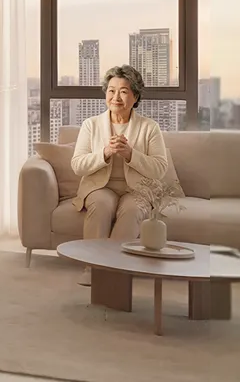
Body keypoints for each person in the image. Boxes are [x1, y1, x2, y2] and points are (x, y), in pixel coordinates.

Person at [70, 65, 173, 284]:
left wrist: (130, 155)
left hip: (137, 188)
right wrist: (105, 153)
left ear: (135, 96)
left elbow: (160, 168)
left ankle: (113, 269)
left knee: (133, 208)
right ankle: (92, 266)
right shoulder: (91, 125)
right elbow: (78, 165)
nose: (116, 97)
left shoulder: (149, 127)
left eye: (124, 91)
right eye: (111, 90)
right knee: (101, 205)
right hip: (100, 186)